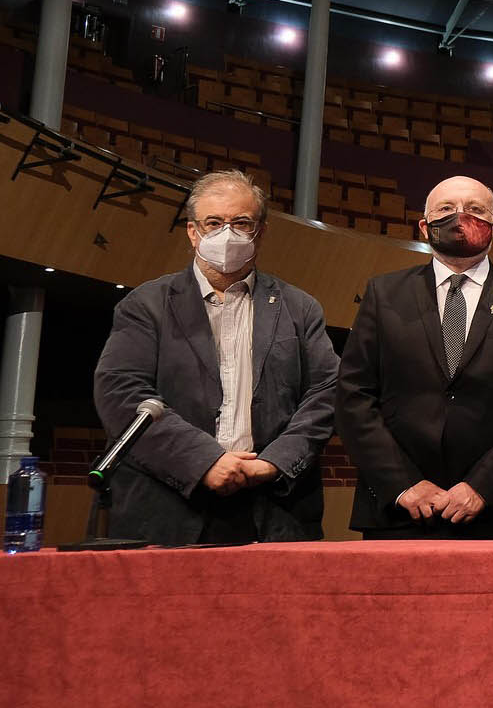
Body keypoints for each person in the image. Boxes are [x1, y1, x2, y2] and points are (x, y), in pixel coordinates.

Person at [91, 170, 337, 545]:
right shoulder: (146, 304)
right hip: (168, 508)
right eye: (214, 223)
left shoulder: (299, 307)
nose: (227, 233)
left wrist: (274, 463)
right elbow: (121, 394)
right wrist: (204, 460)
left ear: (261, 231)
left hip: (274, 510)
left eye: (242, 223)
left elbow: (327, 393)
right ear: (193, 232)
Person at [336, 174, 493, 539]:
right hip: (399, 511)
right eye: (446, 209)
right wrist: (403, 484)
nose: (460, 217)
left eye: (475, 210)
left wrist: (483, 486)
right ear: (425, 227)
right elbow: (354, 395)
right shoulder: (384, 294)